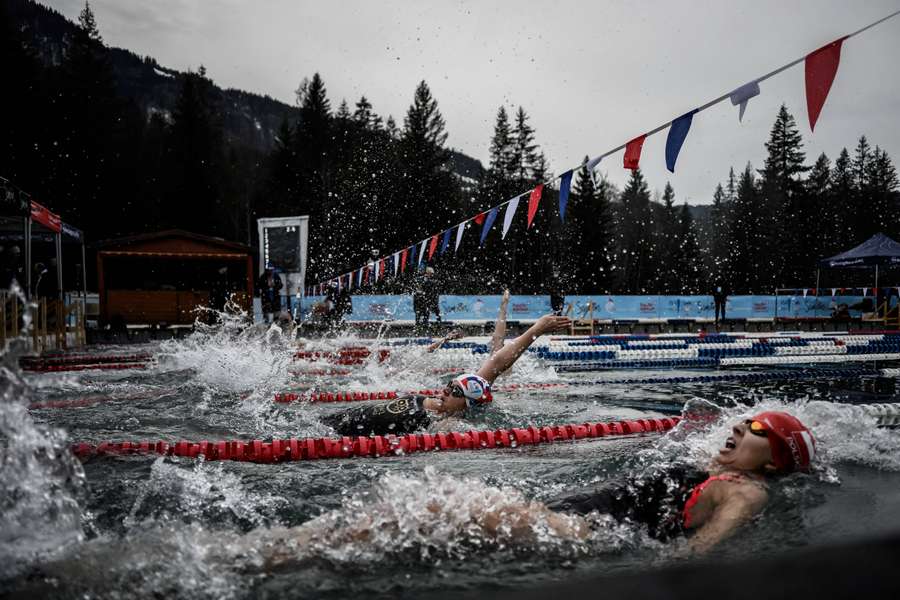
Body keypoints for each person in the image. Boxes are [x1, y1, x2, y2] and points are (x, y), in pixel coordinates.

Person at [260, 410, 815, 567]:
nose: (741, 427)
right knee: (403, 516)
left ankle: (258, 557)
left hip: (574, 531)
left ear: (776, 461)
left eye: (760, 430)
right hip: (561, 515)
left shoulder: (746, 492)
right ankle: (272, 552)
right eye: (743, 422)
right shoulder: (720, 472)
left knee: (420, 508)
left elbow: (702, 553)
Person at [321, 313, 571, 436]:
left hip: (338, 435)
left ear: (465, 405)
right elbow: (496, 362)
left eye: (455, 392)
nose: (445, 391)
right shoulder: (439, 404)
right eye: (449, 385)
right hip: (337, 418)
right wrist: (536, 329)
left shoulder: (445, 422)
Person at [413, 267, 441, 333]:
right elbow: (417, 290)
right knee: (418, 315)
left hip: (428, 301)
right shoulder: (421, 279)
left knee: (428, 315)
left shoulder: (432, 281)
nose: (431, 275)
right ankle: (418, 330)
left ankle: (435, 329)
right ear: (427, 273)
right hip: (420, 301)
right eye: (431, 274)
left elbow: (434, 291)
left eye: (432, 274)